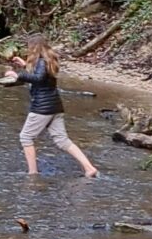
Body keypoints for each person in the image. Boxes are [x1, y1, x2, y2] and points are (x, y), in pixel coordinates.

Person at [9, 37, 97, 178]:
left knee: (25, 137)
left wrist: (18, 75)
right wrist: (25, 65)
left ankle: (32, 173)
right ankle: (89, 168)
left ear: (34, 48)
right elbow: (40, 76)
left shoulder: (42, 62)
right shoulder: (48, 61)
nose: (28, 50)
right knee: (62, 140)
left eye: (29, 47)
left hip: (42, 108)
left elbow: (38, 78)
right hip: (55, 107)